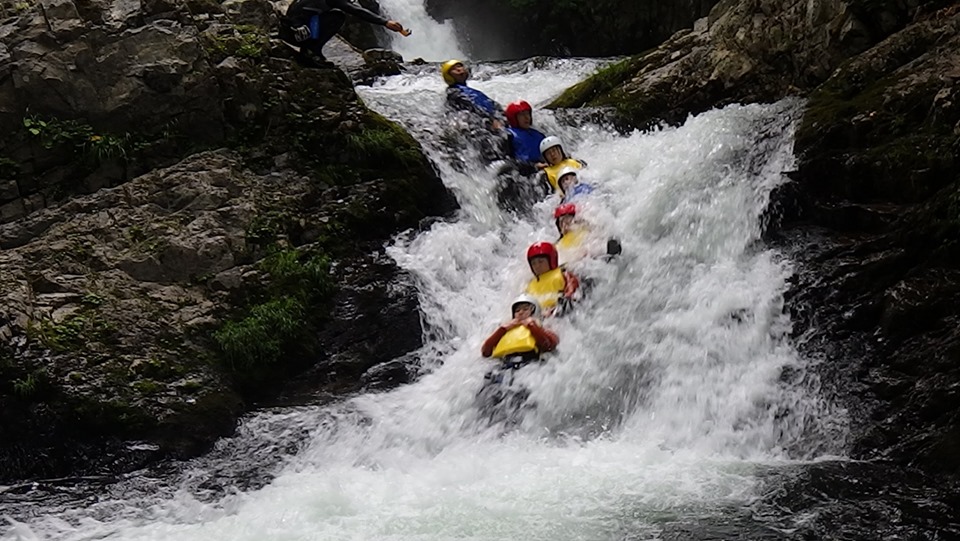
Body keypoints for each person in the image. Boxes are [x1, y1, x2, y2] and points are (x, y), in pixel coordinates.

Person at [279, 0, 409, 67]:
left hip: (289, 29)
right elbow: (356, 11)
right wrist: (385, 22)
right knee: (337, 17)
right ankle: (311, 53)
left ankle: (311, 51)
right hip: (297, 32)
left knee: (327, 15)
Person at [481, 294, 559, 365]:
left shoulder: (541, 327)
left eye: (525, 309)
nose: (520, 312)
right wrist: (502, 329)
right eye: (517, 310)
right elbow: (485, 352)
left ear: (534, 312)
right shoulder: (506, 329)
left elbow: (549, 345)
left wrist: (532, 326)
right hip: (505, 364)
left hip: (530, 363)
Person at [441, 59, 505, 131]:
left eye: (459, 66)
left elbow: (492, 103)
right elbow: (470, 105)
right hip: (479, 125)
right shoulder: (453, 92)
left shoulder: (471, 90)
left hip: (491, 118)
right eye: (454, 69)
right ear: (449, 76)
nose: (459, 70)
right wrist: (491, 119)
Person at [524, 241, 580, 316]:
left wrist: (567, 297)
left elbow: (572, 287)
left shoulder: (563, 273)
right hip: (541, 315)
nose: (537, 266)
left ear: (551, 260)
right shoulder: (531, 283)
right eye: (533, 263)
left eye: (540, 262)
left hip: (560, 311)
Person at [504, 100, 546, 175]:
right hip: (522, 172)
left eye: (527, 114)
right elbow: (508, 161)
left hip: (542, 168)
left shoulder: (539, 135)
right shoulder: (508, 135)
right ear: (514, 118)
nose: (526, 117)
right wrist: (534, 166)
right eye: (522, 115)